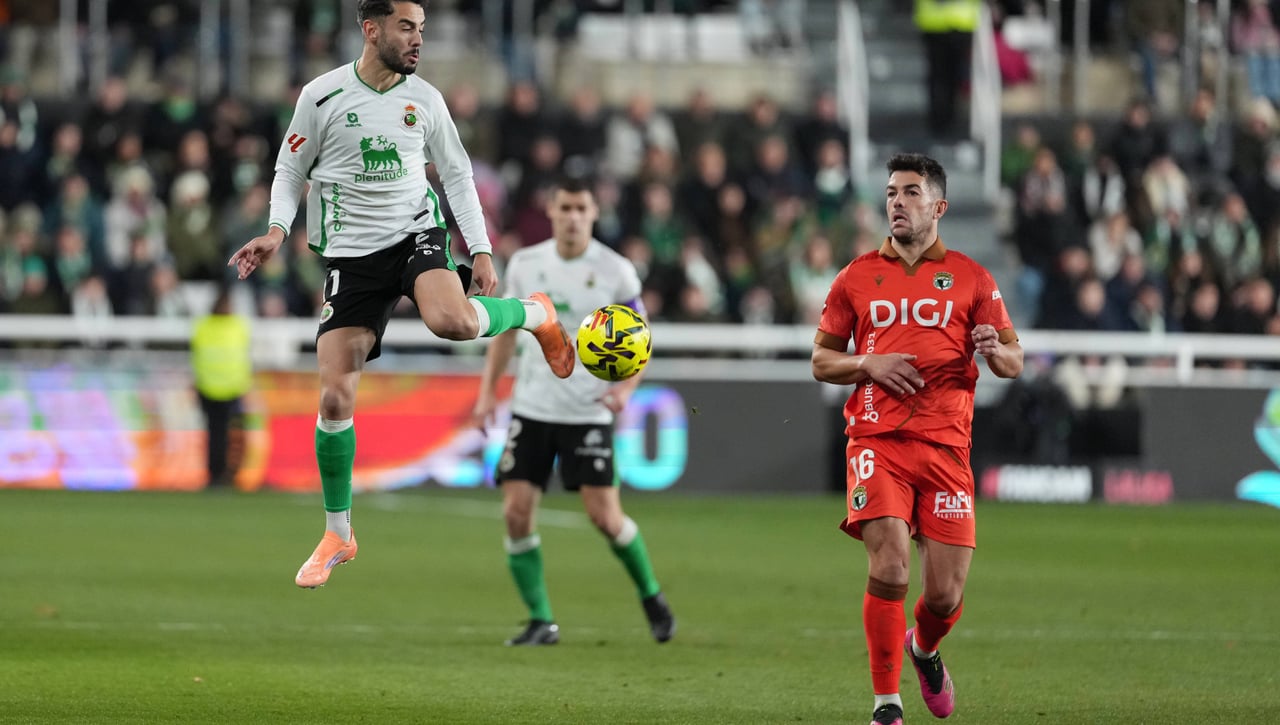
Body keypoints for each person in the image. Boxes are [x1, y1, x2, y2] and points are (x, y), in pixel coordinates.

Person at [228, 0, 575, 589]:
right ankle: (339, 532)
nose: (418, 40)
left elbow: (457, 173)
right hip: (350, 256)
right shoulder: (321, 96)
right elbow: (290, 171)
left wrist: (481, 247)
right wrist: (277, 230)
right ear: (372, 29)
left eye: (422, 29)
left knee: (452, 321)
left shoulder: (427, 100)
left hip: (415, 233)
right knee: (334, 396)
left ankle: (534, 313)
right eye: (407, 27)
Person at [810, 153, 1023, 725]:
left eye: (910, 192)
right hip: (876, 441)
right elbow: (821, 361)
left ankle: (924, 648)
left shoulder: (973, 277)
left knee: (945, 596)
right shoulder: (855, 276)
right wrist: (867, 363)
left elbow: (1014, 360)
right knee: (890, 568)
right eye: (891, 193)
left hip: (947, 448)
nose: (897, 202)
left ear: (939, 206)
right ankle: (887, 702)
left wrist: (995, 351)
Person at [469, 177, 675, 647]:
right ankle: (541, 620)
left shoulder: (616, 271)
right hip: (532, 408)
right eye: (565, 208)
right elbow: (505, 334)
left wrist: (625, 392)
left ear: (594, 212)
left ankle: (651, 595)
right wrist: (486, 395)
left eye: (582, 208)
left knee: (606, 518)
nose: (573, 217)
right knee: (516, 514)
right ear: (552, 211)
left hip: (588, 412)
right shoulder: (526, 264)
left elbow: (640, 341)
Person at [190, 287, 253, 488]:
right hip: (227, 389)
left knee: (217, 435)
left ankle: (220, 474)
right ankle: (223, 474)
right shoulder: (236, 326)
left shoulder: (203, 326)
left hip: (213, 387)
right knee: (225, 436)